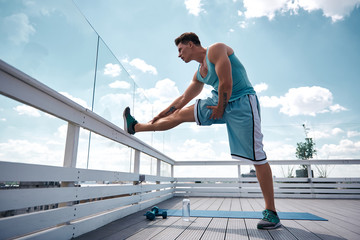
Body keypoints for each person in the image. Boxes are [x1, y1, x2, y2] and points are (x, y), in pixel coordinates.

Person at [123, 32, 281, 229]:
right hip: (218, 102)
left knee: (257, 157)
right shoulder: (199, 73)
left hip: (242, 102)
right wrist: (160, 115)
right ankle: (136, 127)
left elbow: (226, 82)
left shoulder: (216, 49)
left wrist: (221, 108)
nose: (179, 55)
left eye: (180, 50)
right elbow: (182, 100)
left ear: (191, 44)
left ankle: (271, 213)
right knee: (179, 115)